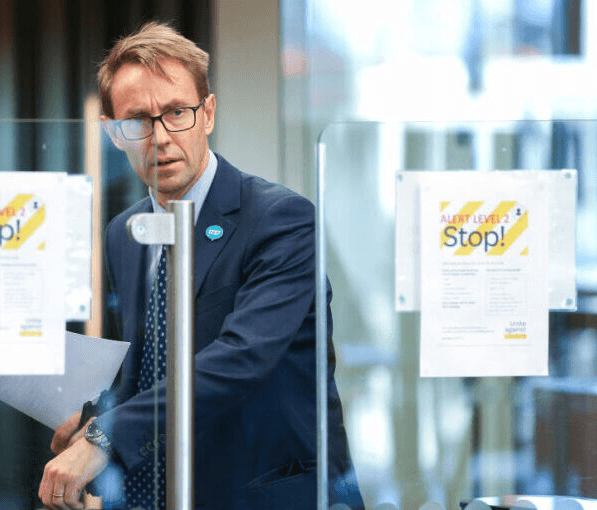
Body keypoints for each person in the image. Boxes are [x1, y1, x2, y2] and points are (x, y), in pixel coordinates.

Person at [39, 21, 363, 510]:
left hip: (266, 495)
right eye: (138, 120)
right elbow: (147, 371)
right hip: (163, 493)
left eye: (177, 113)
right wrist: (92, 422)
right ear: (112, 132)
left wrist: (108, 436)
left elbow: (239, 360)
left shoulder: (281, 220)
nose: (160, 137)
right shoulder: (125, 233)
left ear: (207, 113)